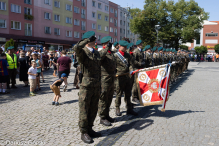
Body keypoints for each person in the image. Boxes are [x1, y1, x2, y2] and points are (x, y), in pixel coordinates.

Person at [73, 31, 108, 144]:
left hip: (96, 84)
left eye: (94, 39)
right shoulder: (82, 52)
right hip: (86, 86)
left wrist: (108, 47)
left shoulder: (96, 53)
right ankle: (84, 132)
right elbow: (76, 47)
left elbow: (102, 55)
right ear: (88, 41)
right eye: (93, 39)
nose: (95, 41)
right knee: (84, 110)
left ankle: (90, 128)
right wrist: (86, 39)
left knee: (93, 108)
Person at [114, 40, 138, 117]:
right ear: (119, 46)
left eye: (126, 47)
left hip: (127, 77)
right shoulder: (115, 55)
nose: (125, 48)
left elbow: (131, 64)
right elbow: (113, 67)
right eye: (124, 47)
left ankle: (129, 109)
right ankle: (117, 108)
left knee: (128, 93)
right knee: (119, 94)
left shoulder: (128, 55)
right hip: (119, 77)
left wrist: (131, 71)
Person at [98, 36, 116, 127]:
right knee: (103, 98)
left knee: (109, 98)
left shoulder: (111, 53)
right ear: (104, 44)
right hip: (104, 78)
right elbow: (100, 58)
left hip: (112, 77)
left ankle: (107, 115)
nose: (110, 44)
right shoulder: (102, 52)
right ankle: (102, 117)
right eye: (108, 43)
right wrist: (106, 48)